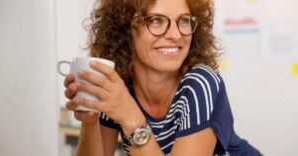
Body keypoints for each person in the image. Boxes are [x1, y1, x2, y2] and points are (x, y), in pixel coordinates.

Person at [64, 0, 263, 155]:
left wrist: (131, 119)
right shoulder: (120, 88)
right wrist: (89, 122)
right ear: (125, 29)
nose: (176, 35)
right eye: (156, 20)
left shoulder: (201, 84)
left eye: (184, 20)